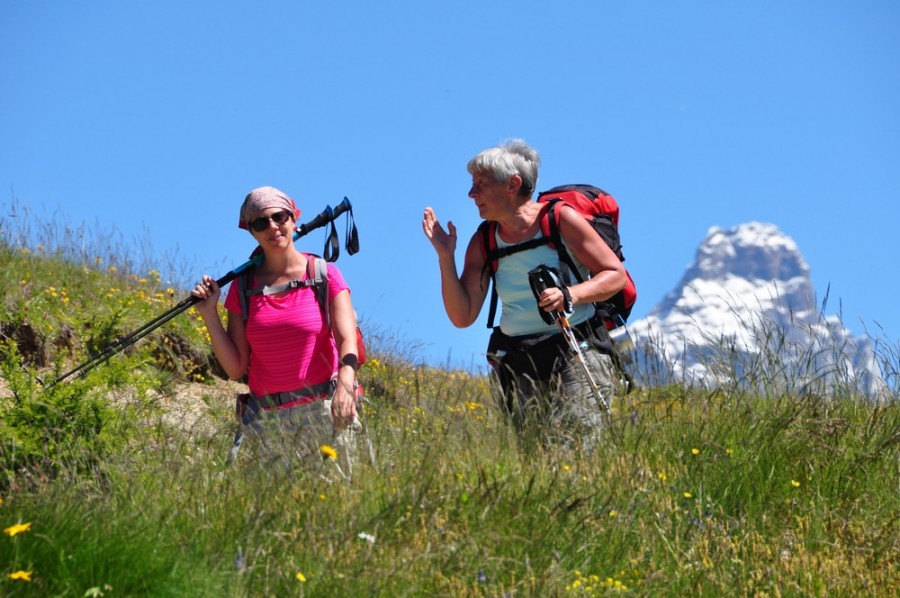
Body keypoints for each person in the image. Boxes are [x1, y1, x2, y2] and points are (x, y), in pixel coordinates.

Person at [422, 140, 628, 450]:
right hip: (519, 361)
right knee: (532, 457)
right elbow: (462, 316)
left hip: (577, 348)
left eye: (481, 183)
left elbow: (615, 275)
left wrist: (570, 294)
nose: (471, 193)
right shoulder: (484, 241)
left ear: (513, 184)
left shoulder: (560, 220)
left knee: (574, 451)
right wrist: (445, 257)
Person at [192, 186, 361, 478]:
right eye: (261, 222)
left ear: (293, 219)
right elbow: (235, 367)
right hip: (267, 422)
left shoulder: (323, 274)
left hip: (324, 411)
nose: (272, 226)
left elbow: (347, 340)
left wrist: (346, 387)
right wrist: (209, 314)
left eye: (279, 217)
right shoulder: (243, 287)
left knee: (335, 502)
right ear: (252, 232)